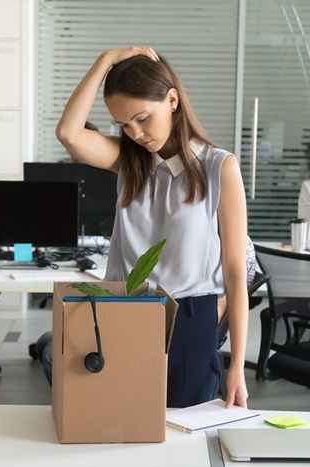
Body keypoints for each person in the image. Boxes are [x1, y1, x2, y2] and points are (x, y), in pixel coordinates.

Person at [55, 47, 255, 409]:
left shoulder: (219, 167)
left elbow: (236, 273)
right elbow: (69, 134)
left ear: (173, 99)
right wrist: (106, 60)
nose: (135, 133)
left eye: (143, 118)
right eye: (123, 125)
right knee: (119, 421)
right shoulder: (128, 163)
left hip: (190, 319)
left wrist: (237, 365)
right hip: (122, 308)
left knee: (183, 432)